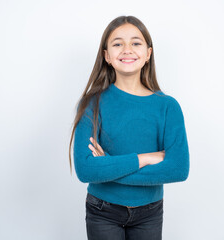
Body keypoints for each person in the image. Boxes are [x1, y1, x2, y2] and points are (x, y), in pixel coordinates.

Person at [68, 15, 190, 240]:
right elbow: (86, 170)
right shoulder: (91, 104)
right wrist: (146, 158)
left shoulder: (167, 107)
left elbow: (178, 169)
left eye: (135, 43)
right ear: (106, 55)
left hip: (150, 213)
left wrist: (108, 166)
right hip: (102, 211)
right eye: (117, 43)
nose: (127, 49)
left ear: (148, 54)